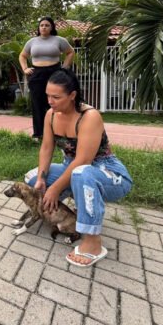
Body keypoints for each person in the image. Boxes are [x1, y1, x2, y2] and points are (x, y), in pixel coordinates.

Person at [25, 68, 132, 267]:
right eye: (48, 95)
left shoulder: (89, 116)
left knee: (81, 173)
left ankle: (93, 242)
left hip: (107, 172)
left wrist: (55, 189)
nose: (50, 101)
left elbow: (83, 160)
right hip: (74, 169)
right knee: (32, 179)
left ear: (72, 95)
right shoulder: (50, 115)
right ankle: (70, 214)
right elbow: (46, 148)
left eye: (56, 97)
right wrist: (41, 178)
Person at [19, 16, 75, 141]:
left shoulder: (59, 40)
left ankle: (57, 133)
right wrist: (25, 68)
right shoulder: (32, 42)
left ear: (52, 27)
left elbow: (70, 52)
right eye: (42, 25)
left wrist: (65, 67)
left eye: (47, 25)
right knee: (37, 103)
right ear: (39, 28)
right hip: (37, 74)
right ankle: (38, 134)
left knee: (55, 102)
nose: (44, 27)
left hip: (54, 72)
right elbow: (22, 56)